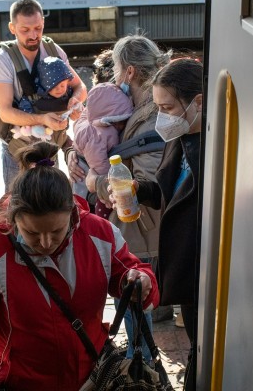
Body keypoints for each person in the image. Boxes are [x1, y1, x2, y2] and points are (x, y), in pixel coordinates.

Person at [0, 141, 159, 390]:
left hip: (93, 378)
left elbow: (132, 273)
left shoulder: (99, 235)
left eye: (57, 231)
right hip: (19, 381)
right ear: (14, 218)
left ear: (72, 212)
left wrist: (140, 282)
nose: (46, 242)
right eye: (32, 233)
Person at [107, 58, 203, 390]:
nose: (162, 117)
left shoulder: (214, 149)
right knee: (196, 344)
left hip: (203, 271)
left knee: (201, 349)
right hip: (186, 269)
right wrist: (138, 189)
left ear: (198, 103)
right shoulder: (182, 137)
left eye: (168, 107)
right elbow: (167, 192)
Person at [79, 35, 173, 361]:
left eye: (118, 71)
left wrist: (96, 181)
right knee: (137, 308)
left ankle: (143, 370)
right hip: (143, 228)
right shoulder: (148, 106)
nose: (116, 79)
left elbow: (143, 185)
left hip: (142, 229)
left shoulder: (150, 116)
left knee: (135, 308)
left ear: (130, 72)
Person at [0, 0, 87, 192]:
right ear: (12, 27)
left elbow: (81, 87)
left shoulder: (53, 50)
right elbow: (5, 112)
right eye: (25, 30)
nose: (33, 35)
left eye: (38, 28)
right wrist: (42, 119)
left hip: (49, 145)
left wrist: (74, 102)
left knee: (51, 202)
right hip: (17, 148)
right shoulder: (3, 59)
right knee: (17, 203)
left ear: (43, 22)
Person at [72, 82, 134, 219]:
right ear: (107, 119)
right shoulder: (98, 136)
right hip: (88, 171)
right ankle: (104, 221)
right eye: (119, 120)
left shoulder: (92, 117)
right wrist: (108, 180)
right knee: (102, 204)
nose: (122, 125)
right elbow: (99, 164)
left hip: (85, 164)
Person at [11, 56, 81, 141]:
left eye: (63, 85)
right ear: (44, 85)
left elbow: (79, 99)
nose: (59, 89)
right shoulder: (34, 98)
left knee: (62, 140)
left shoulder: (68, 94)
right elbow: (24, 112)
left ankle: (67, 146)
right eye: (53, 86)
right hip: (38, 138)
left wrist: (77, 108)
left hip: (60, 133)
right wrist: (31, 125)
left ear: (68, 82)